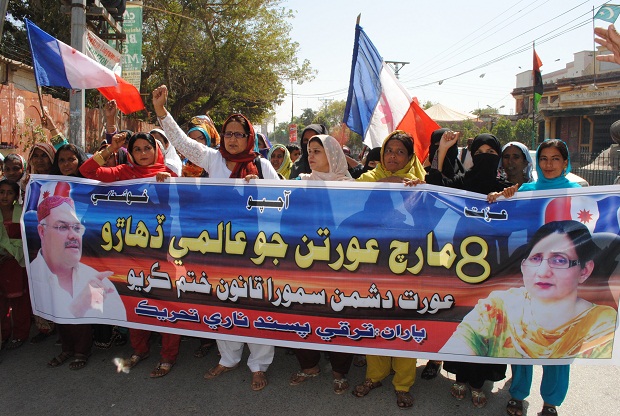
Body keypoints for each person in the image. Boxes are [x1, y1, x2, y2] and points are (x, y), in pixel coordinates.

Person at [152, 84, 278, 391]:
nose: (234, 139)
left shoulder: (261, 166)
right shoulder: (214, 159)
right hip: (218, 246)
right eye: (229, 133)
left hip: (255, 248)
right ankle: (228, 357)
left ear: (249, 137)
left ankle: (259, 364)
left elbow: (282, 200)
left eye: (239, 134)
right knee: (223, 301)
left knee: (255, 303)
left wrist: (258, 188)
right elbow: (182, 143)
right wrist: (161, 112)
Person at [487, 139, 584, 416]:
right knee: (523, 337)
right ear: (537, 162)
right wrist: (499, 197)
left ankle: (551, 402)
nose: (549, 164)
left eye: (556, 159)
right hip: (529, 276)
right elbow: (501, 216)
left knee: (560, 340)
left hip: (565, 279)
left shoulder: (578, 193)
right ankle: (517, 394)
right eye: (544, 159)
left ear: (566, 163)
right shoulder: (524, 191)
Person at [426, 132, 508, 408]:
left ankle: (478, 382)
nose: (485, 156)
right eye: (479, 151)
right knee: (464, 319)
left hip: (496, 265)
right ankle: (460, 376)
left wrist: (511, 195)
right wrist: (444, 149)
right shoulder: (462, 183)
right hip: (463, 262)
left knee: (489, 322)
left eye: (491, 151)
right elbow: (436, 185)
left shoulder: (507, 187)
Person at [352, 130, 425, 409]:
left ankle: (403, 383)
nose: (393, 156)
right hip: (374, 259)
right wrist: (392, 181)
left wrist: (415, 188)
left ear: (409, 156)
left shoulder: (422, 183)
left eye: (400, 152)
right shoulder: (370, 177)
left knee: (404, 320)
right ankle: (375, 374)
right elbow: (355, 192)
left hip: (408, 262)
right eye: (389, 151)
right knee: (375, 317)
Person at [30, 186, 126, 370]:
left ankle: (82, 350)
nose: (72, 235)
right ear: (42, 232)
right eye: (62, 227)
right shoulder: (36, 273)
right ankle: (67, 348)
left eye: (76, 227)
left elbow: (120, 315)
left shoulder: (97, 279)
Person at [289, 134, 354, 394]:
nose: (311, 156)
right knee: (304, 313)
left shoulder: (352, 186)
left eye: (318, 151)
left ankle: (340, 371)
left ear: (333, 154)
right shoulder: (301, 183)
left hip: (342, 266)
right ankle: (309, 366)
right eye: (309, 151)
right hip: (307, 263)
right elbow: (269, 192)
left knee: (340, 317)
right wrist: (253, 183)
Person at [0, 180, 30, 350]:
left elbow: (24, 240)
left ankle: (20, 334)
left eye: (9, 192)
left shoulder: (20, 213)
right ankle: (3, 334)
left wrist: (10, 252)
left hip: (16, 263)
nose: (5, 196)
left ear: (15, 196)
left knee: (19, 300)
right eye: (1, 192)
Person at [79, 132, 176, 182]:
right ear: (131, 154)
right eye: (137, 149)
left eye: (147, 148)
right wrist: (111, 148)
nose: (143, 153)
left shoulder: (168, 173)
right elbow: (85, 170)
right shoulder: (123, 172)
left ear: (156, 150)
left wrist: (170, 181)